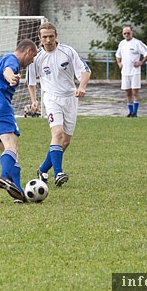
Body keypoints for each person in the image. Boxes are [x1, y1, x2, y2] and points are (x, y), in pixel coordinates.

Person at [27, 22, 91, 187]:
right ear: (40, 38)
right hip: (51, 98)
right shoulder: (36, 57)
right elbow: (31, 81)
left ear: (56, 36)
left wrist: (81, 87)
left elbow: (85, 70)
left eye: (51, 36)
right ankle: (58, 173)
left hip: (70, 98)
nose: (48, 40)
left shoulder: (68, 52)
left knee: (65, 141)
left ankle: (42, 170)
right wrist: (34, 100)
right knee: (58, 133)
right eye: (45, 37)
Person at [0, 39, 38, 203]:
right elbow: (8, 70)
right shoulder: (12, 61)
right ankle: (4, 177)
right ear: (27, 51)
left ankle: (17, 191)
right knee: (12, 146)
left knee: (10, 152)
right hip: (0, 108)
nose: (32, 60)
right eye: (33, 56)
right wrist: (11, 78)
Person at [115, 25, 147, 117]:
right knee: (128, 92)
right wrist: (119, 63)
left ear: (132, 33)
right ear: (122, 34)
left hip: (135, 71)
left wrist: (141, 62)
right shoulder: (122, 43)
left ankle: (135, 112)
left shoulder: (137, 43)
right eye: (125, 33)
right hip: (125, 72)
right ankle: (130, 112)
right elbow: (117, 55)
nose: (127, 35)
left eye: (128, 33)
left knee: (135, 92)